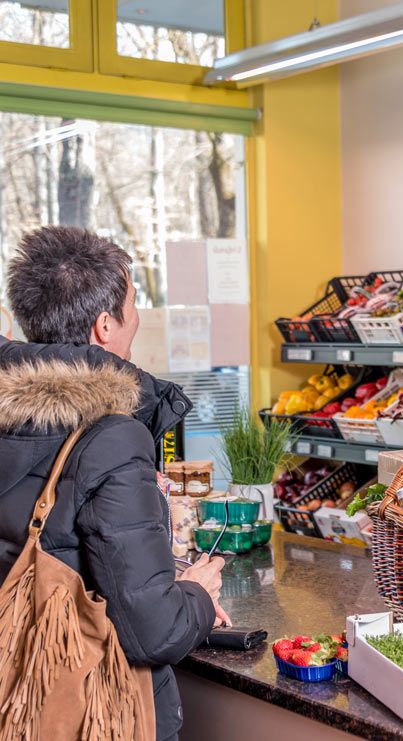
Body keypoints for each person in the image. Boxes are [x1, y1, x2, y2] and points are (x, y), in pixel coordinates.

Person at [0, 225, 229, 741]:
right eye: (132, 304)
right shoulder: (111, 435)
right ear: (105, 326)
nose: (138, 319)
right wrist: (194, 591)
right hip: (84, 713)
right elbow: (153, 631)